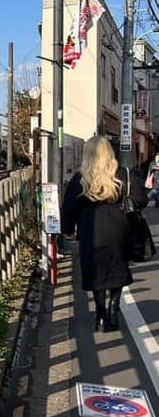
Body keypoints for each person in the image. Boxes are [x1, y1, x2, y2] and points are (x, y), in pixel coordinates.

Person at [61, 136, 147, 331]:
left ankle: (100, 314)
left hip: (91, 232)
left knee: (96, 272)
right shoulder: (124, 174)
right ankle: (113, 308)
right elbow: (141, 199)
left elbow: (69, 209)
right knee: (117, 268)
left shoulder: (80, 178)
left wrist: (68, 230)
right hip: (120, 230)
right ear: (110, 152)